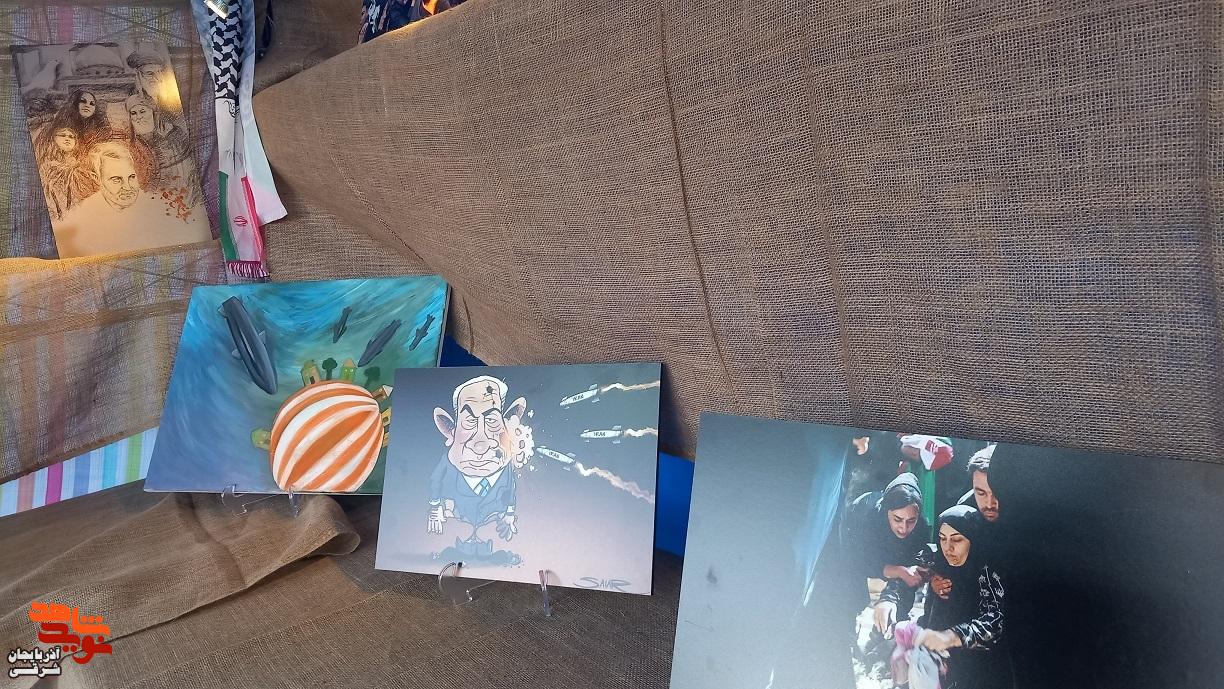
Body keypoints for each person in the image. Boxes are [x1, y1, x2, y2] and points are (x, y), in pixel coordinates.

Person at [876, 506, 1010, 689]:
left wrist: (951, 636)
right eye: (942, 538)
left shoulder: (988, 569)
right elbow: (907, 575)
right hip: (934, 662)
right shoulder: (935, 559)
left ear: (973, 539)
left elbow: (995, 621)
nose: (948, 548)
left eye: (957, 539)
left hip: (976, 669)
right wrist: (888, 599)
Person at [426, 375, 530, 558]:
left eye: (492, 421)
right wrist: (435, 508)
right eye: (469, 422)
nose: (480, 445)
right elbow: (436, 481)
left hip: (490, 520)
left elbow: (510, 488)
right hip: (457, 519)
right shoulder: (447, 465)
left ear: (509, 426)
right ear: (449, 431)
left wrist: (509, 513)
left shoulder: (506, 467)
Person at [54, 141, 211, 257]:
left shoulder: (159, 207)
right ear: (97, 179)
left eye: (131, 177)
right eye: (116, 179)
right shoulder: (81, 217)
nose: (128, 187)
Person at [843, 473, 929, 630]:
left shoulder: (921, 528)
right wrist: (898, 570)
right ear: (886, 511)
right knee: (849, 604)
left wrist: (890, 599)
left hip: (892, 568)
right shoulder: (866, 517)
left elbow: (911, 572)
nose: (903, 528)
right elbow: (855, 561)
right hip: (852, 562)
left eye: (911, 521)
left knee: (895, 614)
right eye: (897, 519)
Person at [125, 93, 200, 206]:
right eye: (133, 113)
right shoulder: (131, 145)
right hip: (152, 199)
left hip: (183, 193)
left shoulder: (174, 133)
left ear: (153, 112)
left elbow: (190, 164)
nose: (138, 117)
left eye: (142, 111)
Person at [34, 126, 96, 221]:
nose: (67, 139)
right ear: (54, 139)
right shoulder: (46, 167)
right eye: (63, 135)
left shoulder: (81, 168)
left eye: (71, 137)